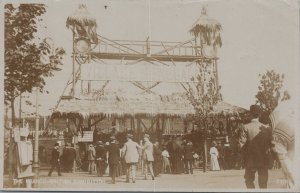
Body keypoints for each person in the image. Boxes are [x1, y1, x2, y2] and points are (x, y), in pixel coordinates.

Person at [239, 105, 272, 189]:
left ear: (250, 114)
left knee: (249, 180)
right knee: (263, 183)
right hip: (263, 159)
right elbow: (271, 144)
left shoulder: (245, 127)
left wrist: (242, 159)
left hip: (250, 160)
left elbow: (241, 145)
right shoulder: (267, 128)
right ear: (260, 115)